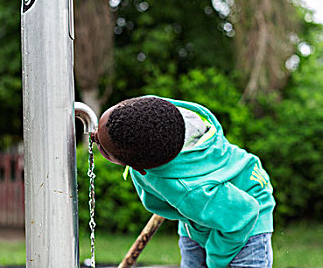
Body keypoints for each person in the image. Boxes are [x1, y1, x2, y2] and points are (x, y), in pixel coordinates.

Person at [90, 96, 275, 268]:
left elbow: (244, 215)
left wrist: (215, 261)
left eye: (103, 149)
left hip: (243, 221)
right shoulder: (159, 116)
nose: (95, 136)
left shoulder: (188, 189)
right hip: (201, 212)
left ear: (139, 168)